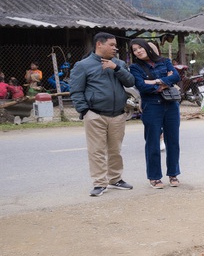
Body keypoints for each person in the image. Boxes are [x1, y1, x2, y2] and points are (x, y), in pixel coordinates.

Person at [70, 33, 136, 197]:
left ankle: (115, 179)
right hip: (95, 114)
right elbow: (76, 90)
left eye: (116, 45)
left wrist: (117, 68)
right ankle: (100, 183)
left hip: (118, 114)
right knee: (96, 151)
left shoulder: (119, 63)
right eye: (112, 45)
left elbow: (130, 82)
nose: (116, 48)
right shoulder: (83, 65)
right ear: (99, 44)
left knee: (115, 149)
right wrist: (85, 111)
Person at [129, 39, 182, 189]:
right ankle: (154, 177)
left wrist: (154, 82)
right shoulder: (135, 67)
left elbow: (176, 77)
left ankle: (173, 174)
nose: (138, 51)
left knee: (173, 141)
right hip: (151, 106)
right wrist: (163, 83)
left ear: (147, 48)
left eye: (140, 47)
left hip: (171, 104)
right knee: (152, 142)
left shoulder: (165, 61)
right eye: (135, 50)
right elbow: (141, 86)